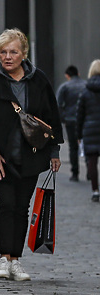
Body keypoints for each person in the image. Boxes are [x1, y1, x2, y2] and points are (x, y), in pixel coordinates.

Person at [0, 29, 62, 282]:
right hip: (0, 157)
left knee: (22, 208)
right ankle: (3, 258)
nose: (8, 57)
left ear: (24, 53)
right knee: (6, 204)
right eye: (3, 52)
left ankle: (16, 260)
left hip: (31, 155)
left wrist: (54, 150)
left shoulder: (39, 80)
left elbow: (52, 117)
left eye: (13, 52)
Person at [56, 65, 86, 181]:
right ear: (78, 73)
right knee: (87, 145)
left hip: (70, 120)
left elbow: (59, 104)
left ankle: (75, 172)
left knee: (73, 147)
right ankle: (90, 171)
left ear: (67, 76)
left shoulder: (65, 87)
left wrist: (63, 118)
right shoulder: (85, 85)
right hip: (85, 120)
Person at [77, 59, 100, 202]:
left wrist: (78, 135)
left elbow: (80, 115)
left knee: (92, 161)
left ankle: (95, 191)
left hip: (90, 130)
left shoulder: (85, 91)